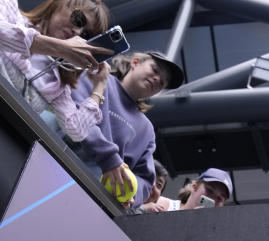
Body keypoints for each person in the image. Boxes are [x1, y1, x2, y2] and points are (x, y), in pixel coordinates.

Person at [0, 0, 112, 141]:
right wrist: (59, 47)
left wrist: (100, 86)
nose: (77, 31)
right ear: (59, 4)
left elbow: (76, 130)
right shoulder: (9, 9)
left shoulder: (57, 81)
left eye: (86, 35)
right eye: (79, 20)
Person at [71, 51, 185, 206]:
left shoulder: (147, 130)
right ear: (135, 62)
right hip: (57, 163)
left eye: (162, 83)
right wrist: (111, 159)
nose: (157, 79)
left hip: (97, 201)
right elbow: (75, 114)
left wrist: (131, 195)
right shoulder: (98, 77)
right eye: (155, 70)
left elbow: (145, 180)